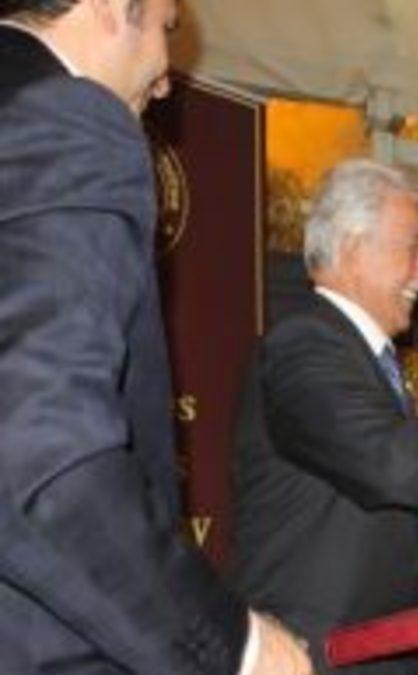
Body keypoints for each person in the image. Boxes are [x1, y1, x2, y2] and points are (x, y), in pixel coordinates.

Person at [0, 0, 311, 673]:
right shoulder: (65, 120)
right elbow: (39, 449)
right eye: (167, 29)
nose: (167, 80)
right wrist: (235, 646)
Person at [231, 159, 418, 674]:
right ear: (355, 249)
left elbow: (392, 533)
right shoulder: (303, 345)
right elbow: (397, 465)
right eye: (414, 248)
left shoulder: (365, 361)